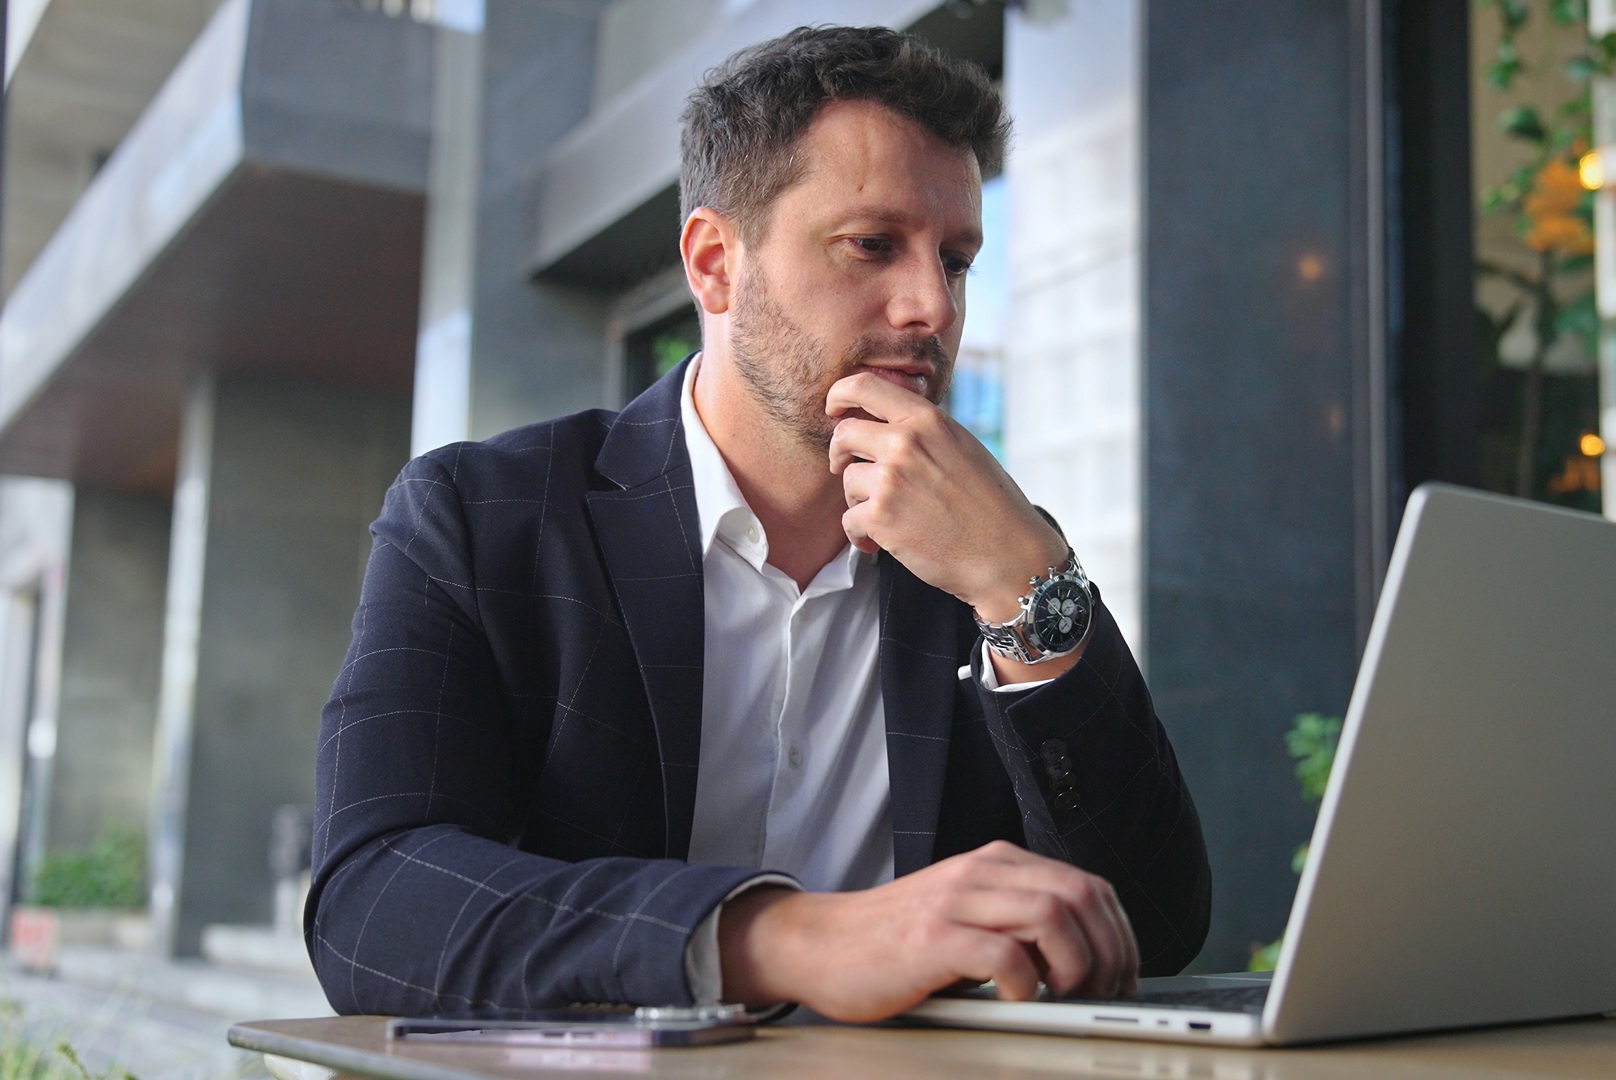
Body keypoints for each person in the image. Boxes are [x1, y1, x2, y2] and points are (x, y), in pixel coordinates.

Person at [307, 25, 1208, 1024]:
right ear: (714, 264)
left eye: (954, 260)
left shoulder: (990, 550)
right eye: (872, 245)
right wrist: (782, 937)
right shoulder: (484, 519)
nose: (933, 307)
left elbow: (1154, 929)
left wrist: (1030, 595)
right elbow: (371, 903)